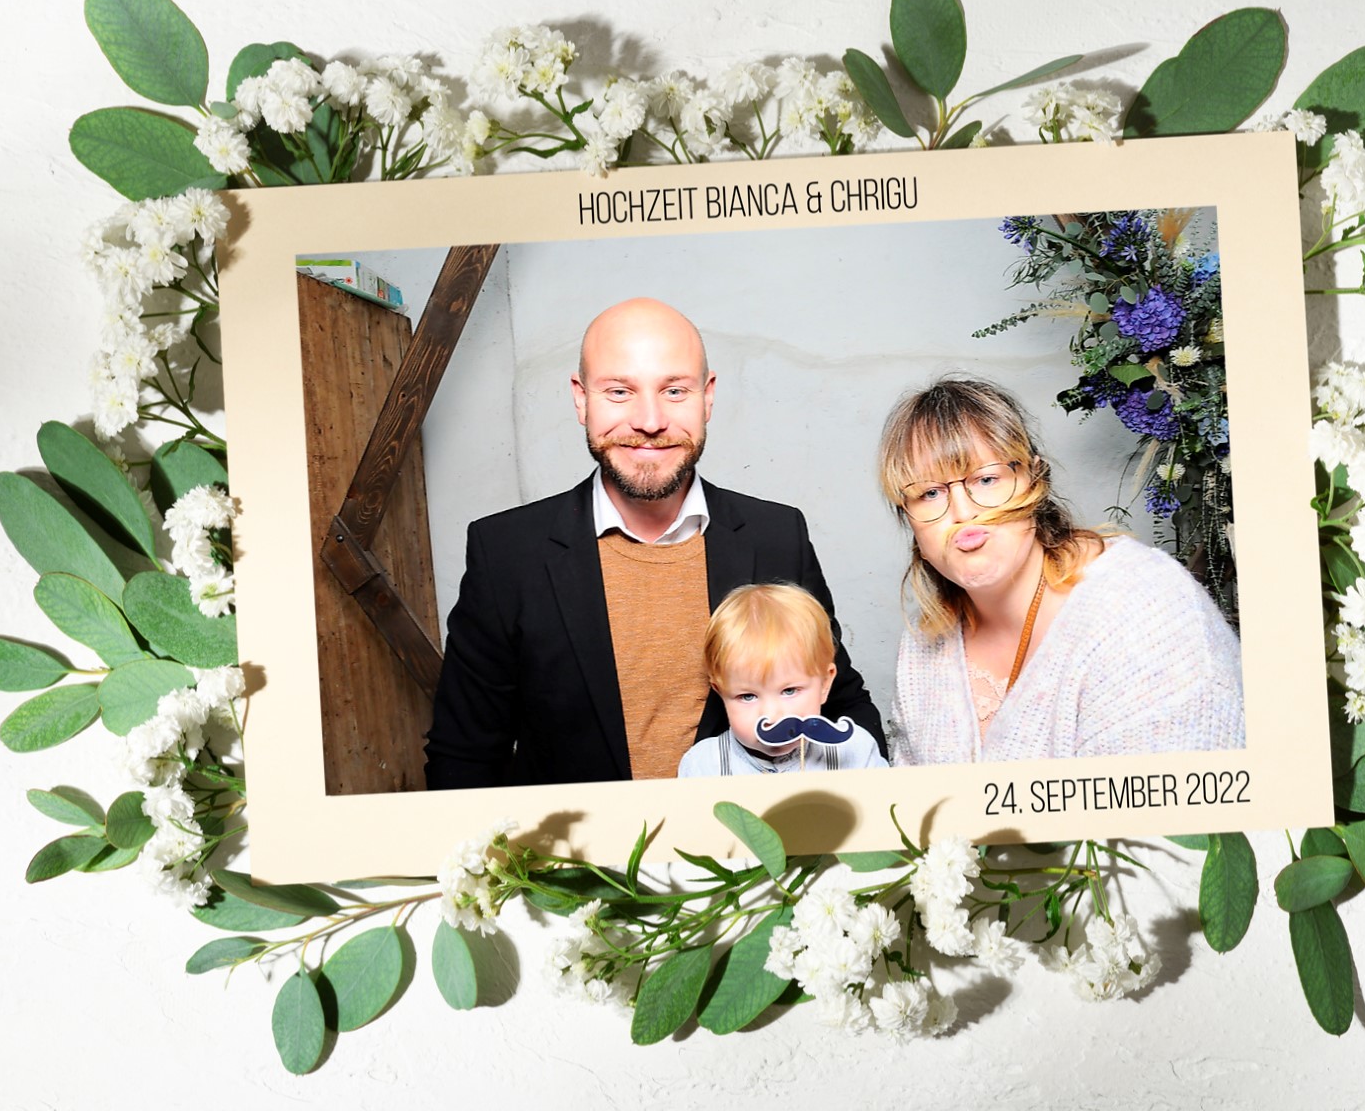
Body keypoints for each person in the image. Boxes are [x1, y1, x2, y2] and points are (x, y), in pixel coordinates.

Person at [424, 297, 885, 789]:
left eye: (675, 390)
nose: (649, 420)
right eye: (619, 391)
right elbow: (464, 756)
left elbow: (839, 701)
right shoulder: (506, 552)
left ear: (708, 397)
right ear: (581, 399)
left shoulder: (776, 535)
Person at [878, 377, 1243, 765]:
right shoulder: (921, 651)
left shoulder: (1144, 605)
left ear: (1034, 479)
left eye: (986, 479)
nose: (962, 512)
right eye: (930, 493)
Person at [678, 583, 890, 777]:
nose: (772, 716)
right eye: (748, 696)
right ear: (721, 691)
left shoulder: (856, 752)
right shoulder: (703, 765)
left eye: (789, 691)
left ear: (825, 684)